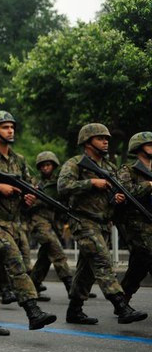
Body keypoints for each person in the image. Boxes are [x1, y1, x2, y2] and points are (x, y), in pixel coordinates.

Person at [0, 111, 56, 336]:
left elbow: (30, 187)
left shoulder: (20, 160)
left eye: (12, 126)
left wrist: (29, 197)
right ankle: (33, 311)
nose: (10, 130)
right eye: (5, 127)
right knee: (16, 262)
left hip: (14, 224)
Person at [58, 123, 147, 325]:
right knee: (102, 260)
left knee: (87, 270)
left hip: (104, 223)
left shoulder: (109, 167)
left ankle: (74, 310)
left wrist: (116, 200)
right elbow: (62, 187)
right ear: (87, 142)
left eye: (107, 138)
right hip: (83, 220)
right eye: (100, 138)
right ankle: (121, 306)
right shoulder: (76, 163)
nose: (106, 141)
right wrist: (91, 183)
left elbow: (113, 196)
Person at [27, 151, 73, 298]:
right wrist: (35, 199)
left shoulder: (61, 182)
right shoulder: (34, 183)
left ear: (54, 166)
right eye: (43, 166)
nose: (45, 168)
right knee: (56, 250)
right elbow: (26, 204)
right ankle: (70, 285)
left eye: (48, 165)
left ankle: (33, 285)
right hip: (38, 222)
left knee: (45, 257)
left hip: (55, 222)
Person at [117, 132, 152, 305]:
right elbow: (126, 193)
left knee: (140, 262)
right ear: (138, 147)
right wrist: (149, 185)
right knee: (146, 255)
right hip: (136, 222)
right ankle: (123, 298)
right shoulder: (128, 170)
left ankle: (122, 297)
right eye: (149, 144)